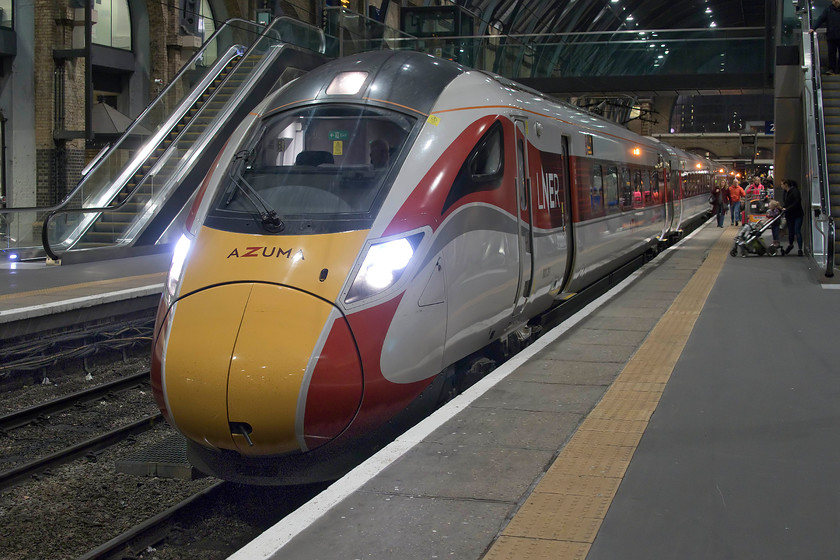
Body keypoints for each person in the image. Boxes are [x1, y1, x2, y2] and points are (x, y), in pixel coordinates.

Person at [812, 0, 840, 75]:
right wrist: (813, 28)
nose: (836, 1)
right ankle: (832, 69)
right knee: (831, 54)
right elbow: (820, 19)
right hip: (831, 36)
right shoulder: (828, 10)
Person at [781, 179, 804, 256]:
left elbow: (796, 202)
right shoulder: (785, 192)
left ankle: (800, 249)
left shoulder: (795, 191)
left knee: (797, 230)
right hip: (790, 215)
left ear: (786, 184)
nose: (781, 186)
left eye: (782, 184)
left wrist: (787, 208)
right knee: (791, 231)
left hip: (797, 214)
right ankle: (791, 244)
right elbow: (786, 203)